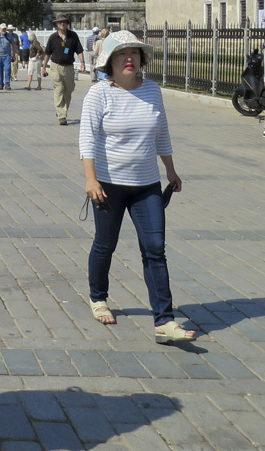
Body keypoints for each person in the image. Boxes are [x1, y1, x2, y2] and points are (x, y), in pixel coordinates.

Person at [80, 29, 193, 344]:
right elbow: (87, 138)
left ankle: (164, 320)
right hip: (108, 184)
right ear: (110, 62)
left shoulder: (153, 90)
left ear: (142, 59)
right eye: (121, 54)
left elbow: (162, 133)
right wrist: (90, 179)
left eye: (134, 53)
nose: (129, 58)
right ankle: (98, 296)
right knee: (106, 244)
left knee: (155, 250)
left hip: (147, 185)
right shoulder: (99, 94)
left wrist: (170, 170)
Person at [43, 15, 86, 124]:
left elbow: (79, 50)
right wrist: (44, 67)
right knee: (59, 88)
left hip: (69, 67)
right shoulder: (53, 38)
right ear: (56, 24)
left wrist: (82, 63)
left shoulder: (73, 36)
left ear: (67, 24)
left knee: (68, 90)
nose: (62, 24)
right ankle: (62, 115)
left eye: (64, 22)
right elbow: (47, 53)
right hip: (56, 66)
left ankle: (61, 109)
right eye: (60, 22)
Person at [0, 23, 15, 90]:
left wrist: (14, 55)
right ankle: (0, 84)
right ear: (0, 29)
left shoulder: (9, 36)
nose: (4, 30)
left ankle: (7, 84)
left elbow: (13, 45)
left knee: (7, 70)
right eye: (2, 29)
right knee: (0, 70)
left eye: (5, 29)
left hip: (7, 56)